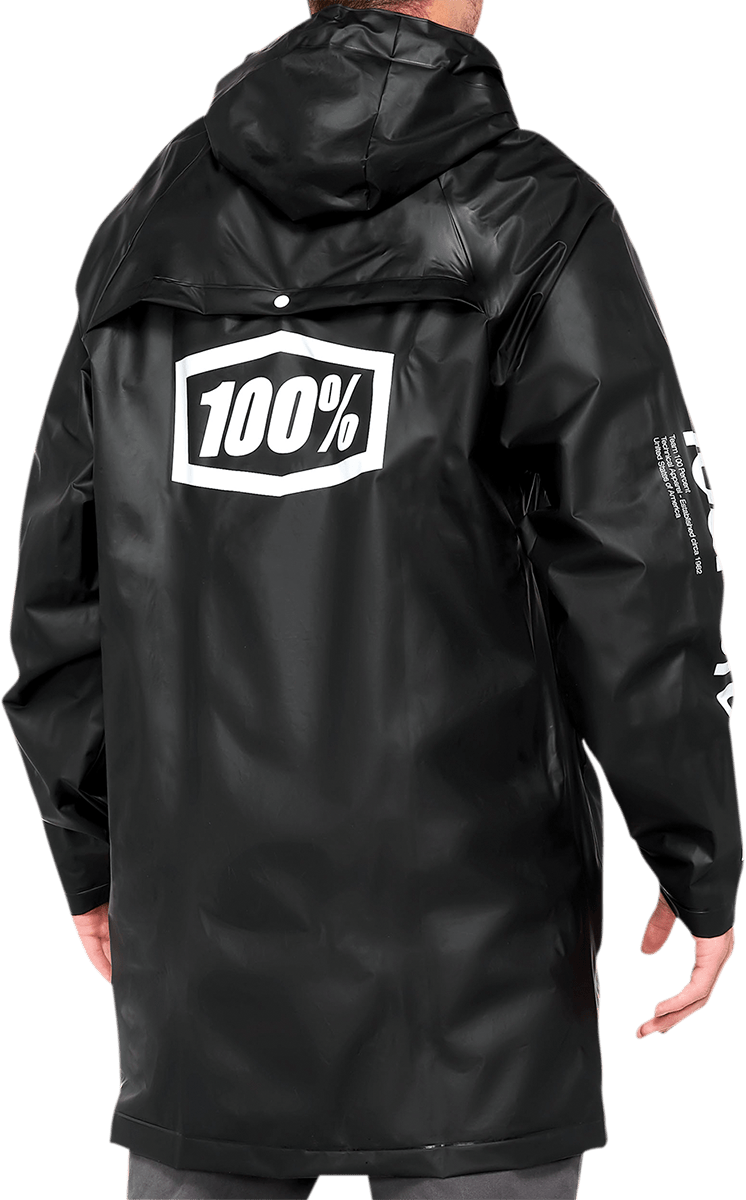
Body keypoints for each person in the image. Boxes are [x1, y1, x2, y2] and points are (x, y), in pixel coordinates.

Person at [1, 2, 742, 1198]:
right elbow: (642, 568)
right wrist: (694, 847)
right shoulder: (536, 216)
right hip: (473, 993)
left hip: (202, 975)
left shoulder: (147, 222)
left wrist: (86, 851)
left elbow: (58, 582)